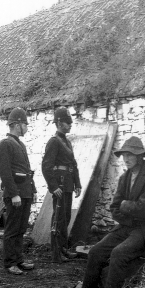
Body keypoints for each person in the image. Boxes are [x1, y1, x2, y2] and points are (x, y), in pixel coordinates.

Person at [80, 136, 145, 288]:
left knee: (118, 253)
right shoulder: (125, 177)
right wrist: (129, 209)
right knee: (95, 252)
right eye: (124, 154)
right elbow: (114, 208)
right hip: (129, 225)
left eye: (130, 154)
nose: (126, 158)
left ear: (140, 156)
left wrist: (125, 205)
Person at [0, 107, 37, 274]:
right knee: (12, 229)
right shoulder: (5, 144)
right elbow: (5, 172)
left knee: (21, 228)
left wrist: (32, 191)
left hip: (25, 192)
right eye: (25, 124)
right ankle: (10, 262)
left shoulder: (20, 144)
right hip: (15, 194)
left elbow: (27, 170)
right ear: (16, 125)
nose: (26, 128)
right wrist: (14, 194)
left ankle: (19, 259)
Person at [42, 107, 82, 262]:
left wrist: (77, 183)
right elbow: (46, 166)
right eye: (67, 122)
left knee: (65, 216)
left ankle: (64, 249)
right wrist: (53, 187)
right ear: (59, 122)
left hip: (68, 184)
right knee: (58, 218)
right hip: (59, 185)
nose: (70, 125)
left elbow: (73, 164)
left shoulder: (67, 142)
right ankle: (57, 253)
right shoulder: (54, 142)